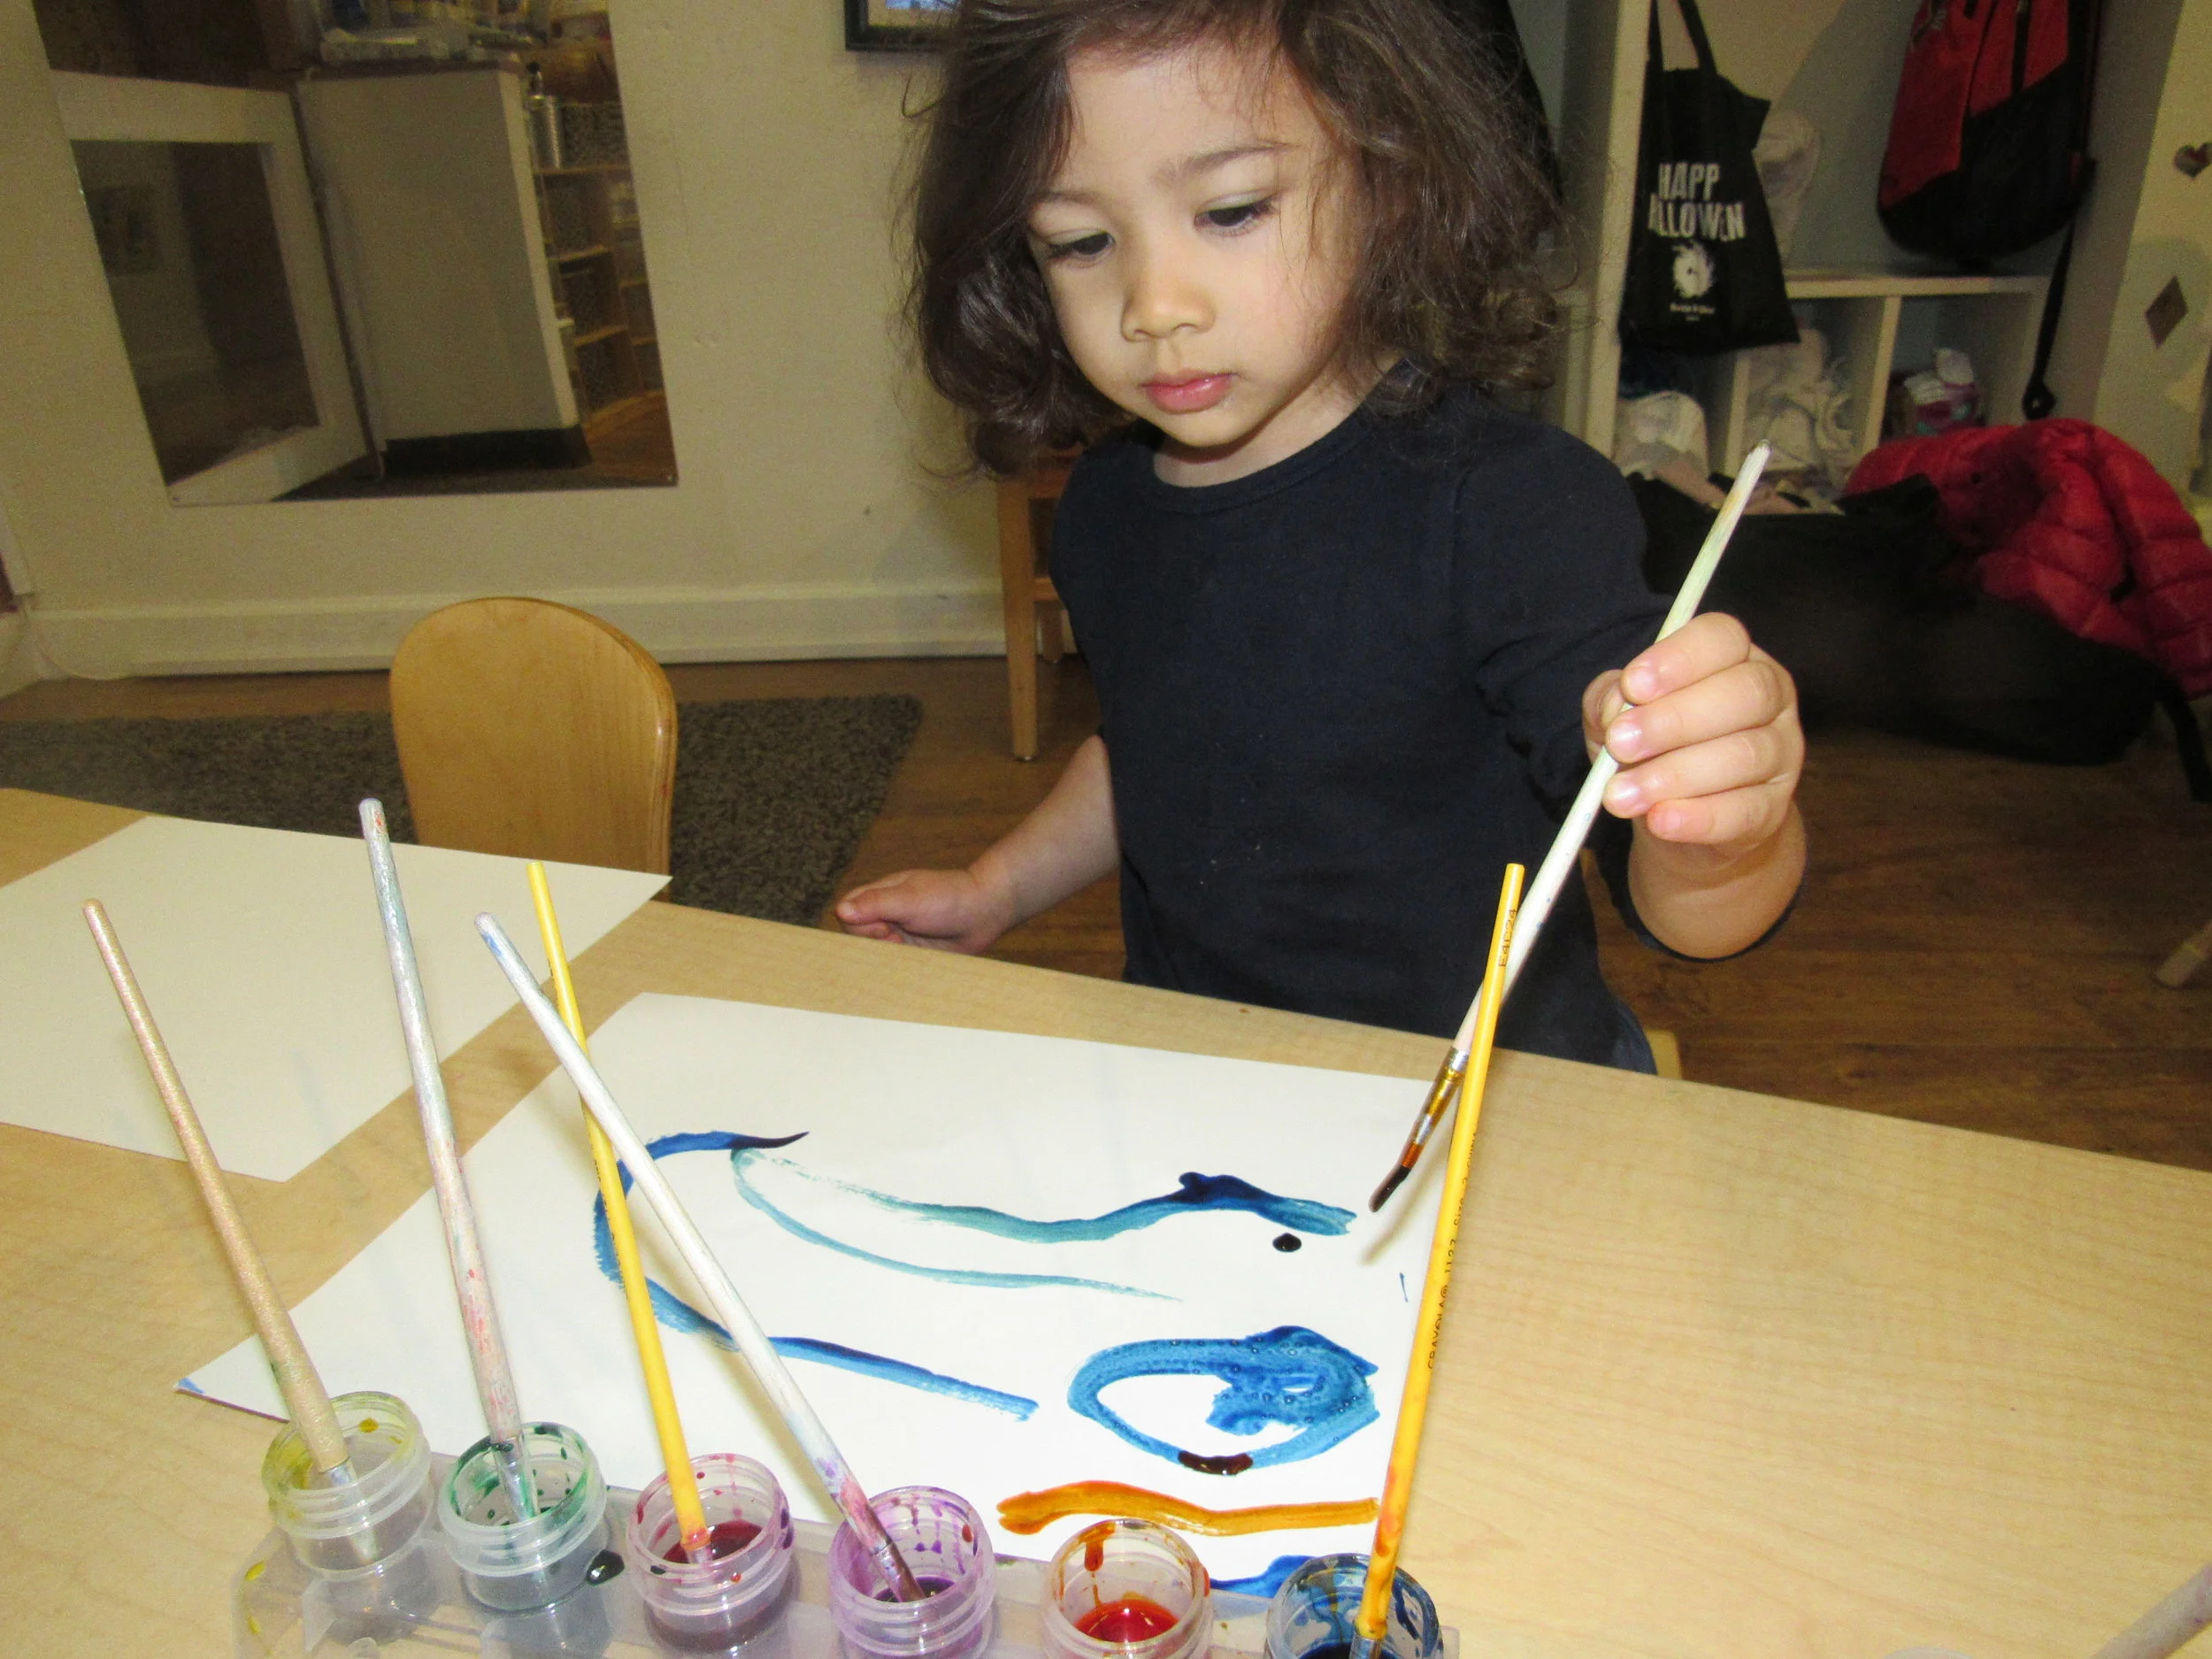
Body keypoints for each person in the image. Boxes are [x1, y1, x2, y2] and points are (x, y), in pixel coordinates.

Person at [837, 0, 1807, 1070]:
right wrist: (997, 887)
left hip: (1481, 1101)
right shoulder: (1107, 506)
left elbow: (1695, 917)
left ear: (1388, 179)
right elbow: (1152, 753)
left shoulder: (1511, 508)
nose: (1153, 305)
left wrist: (1727, 828)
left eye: (1231, 210)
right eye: (1081, 242)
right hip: (1213, 1075)